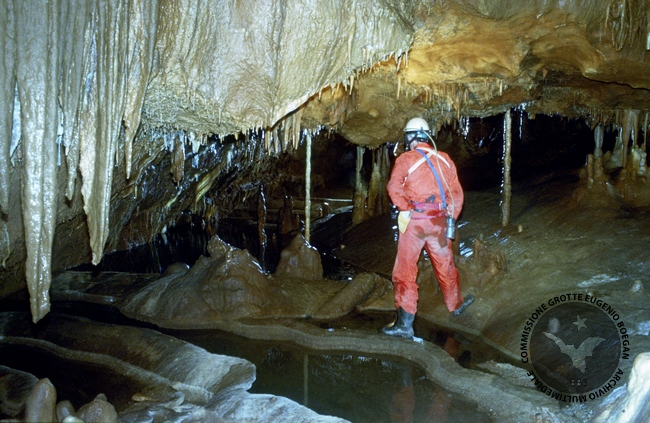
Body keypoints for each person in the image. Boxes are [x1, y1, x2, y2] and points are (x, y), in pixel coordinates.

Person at [383, 118, 474, 338]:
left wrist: (405, 208)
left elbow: (393, 187)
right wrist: (450, 216)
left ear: (410, 137)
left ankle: (404, 324)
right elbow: (456, 193)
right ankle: (456, 305)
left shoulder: (406, 159)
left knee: (405, 271)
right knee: (445, 265)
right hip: (439, 222)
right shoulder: (444, 159)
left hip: (415, 222)